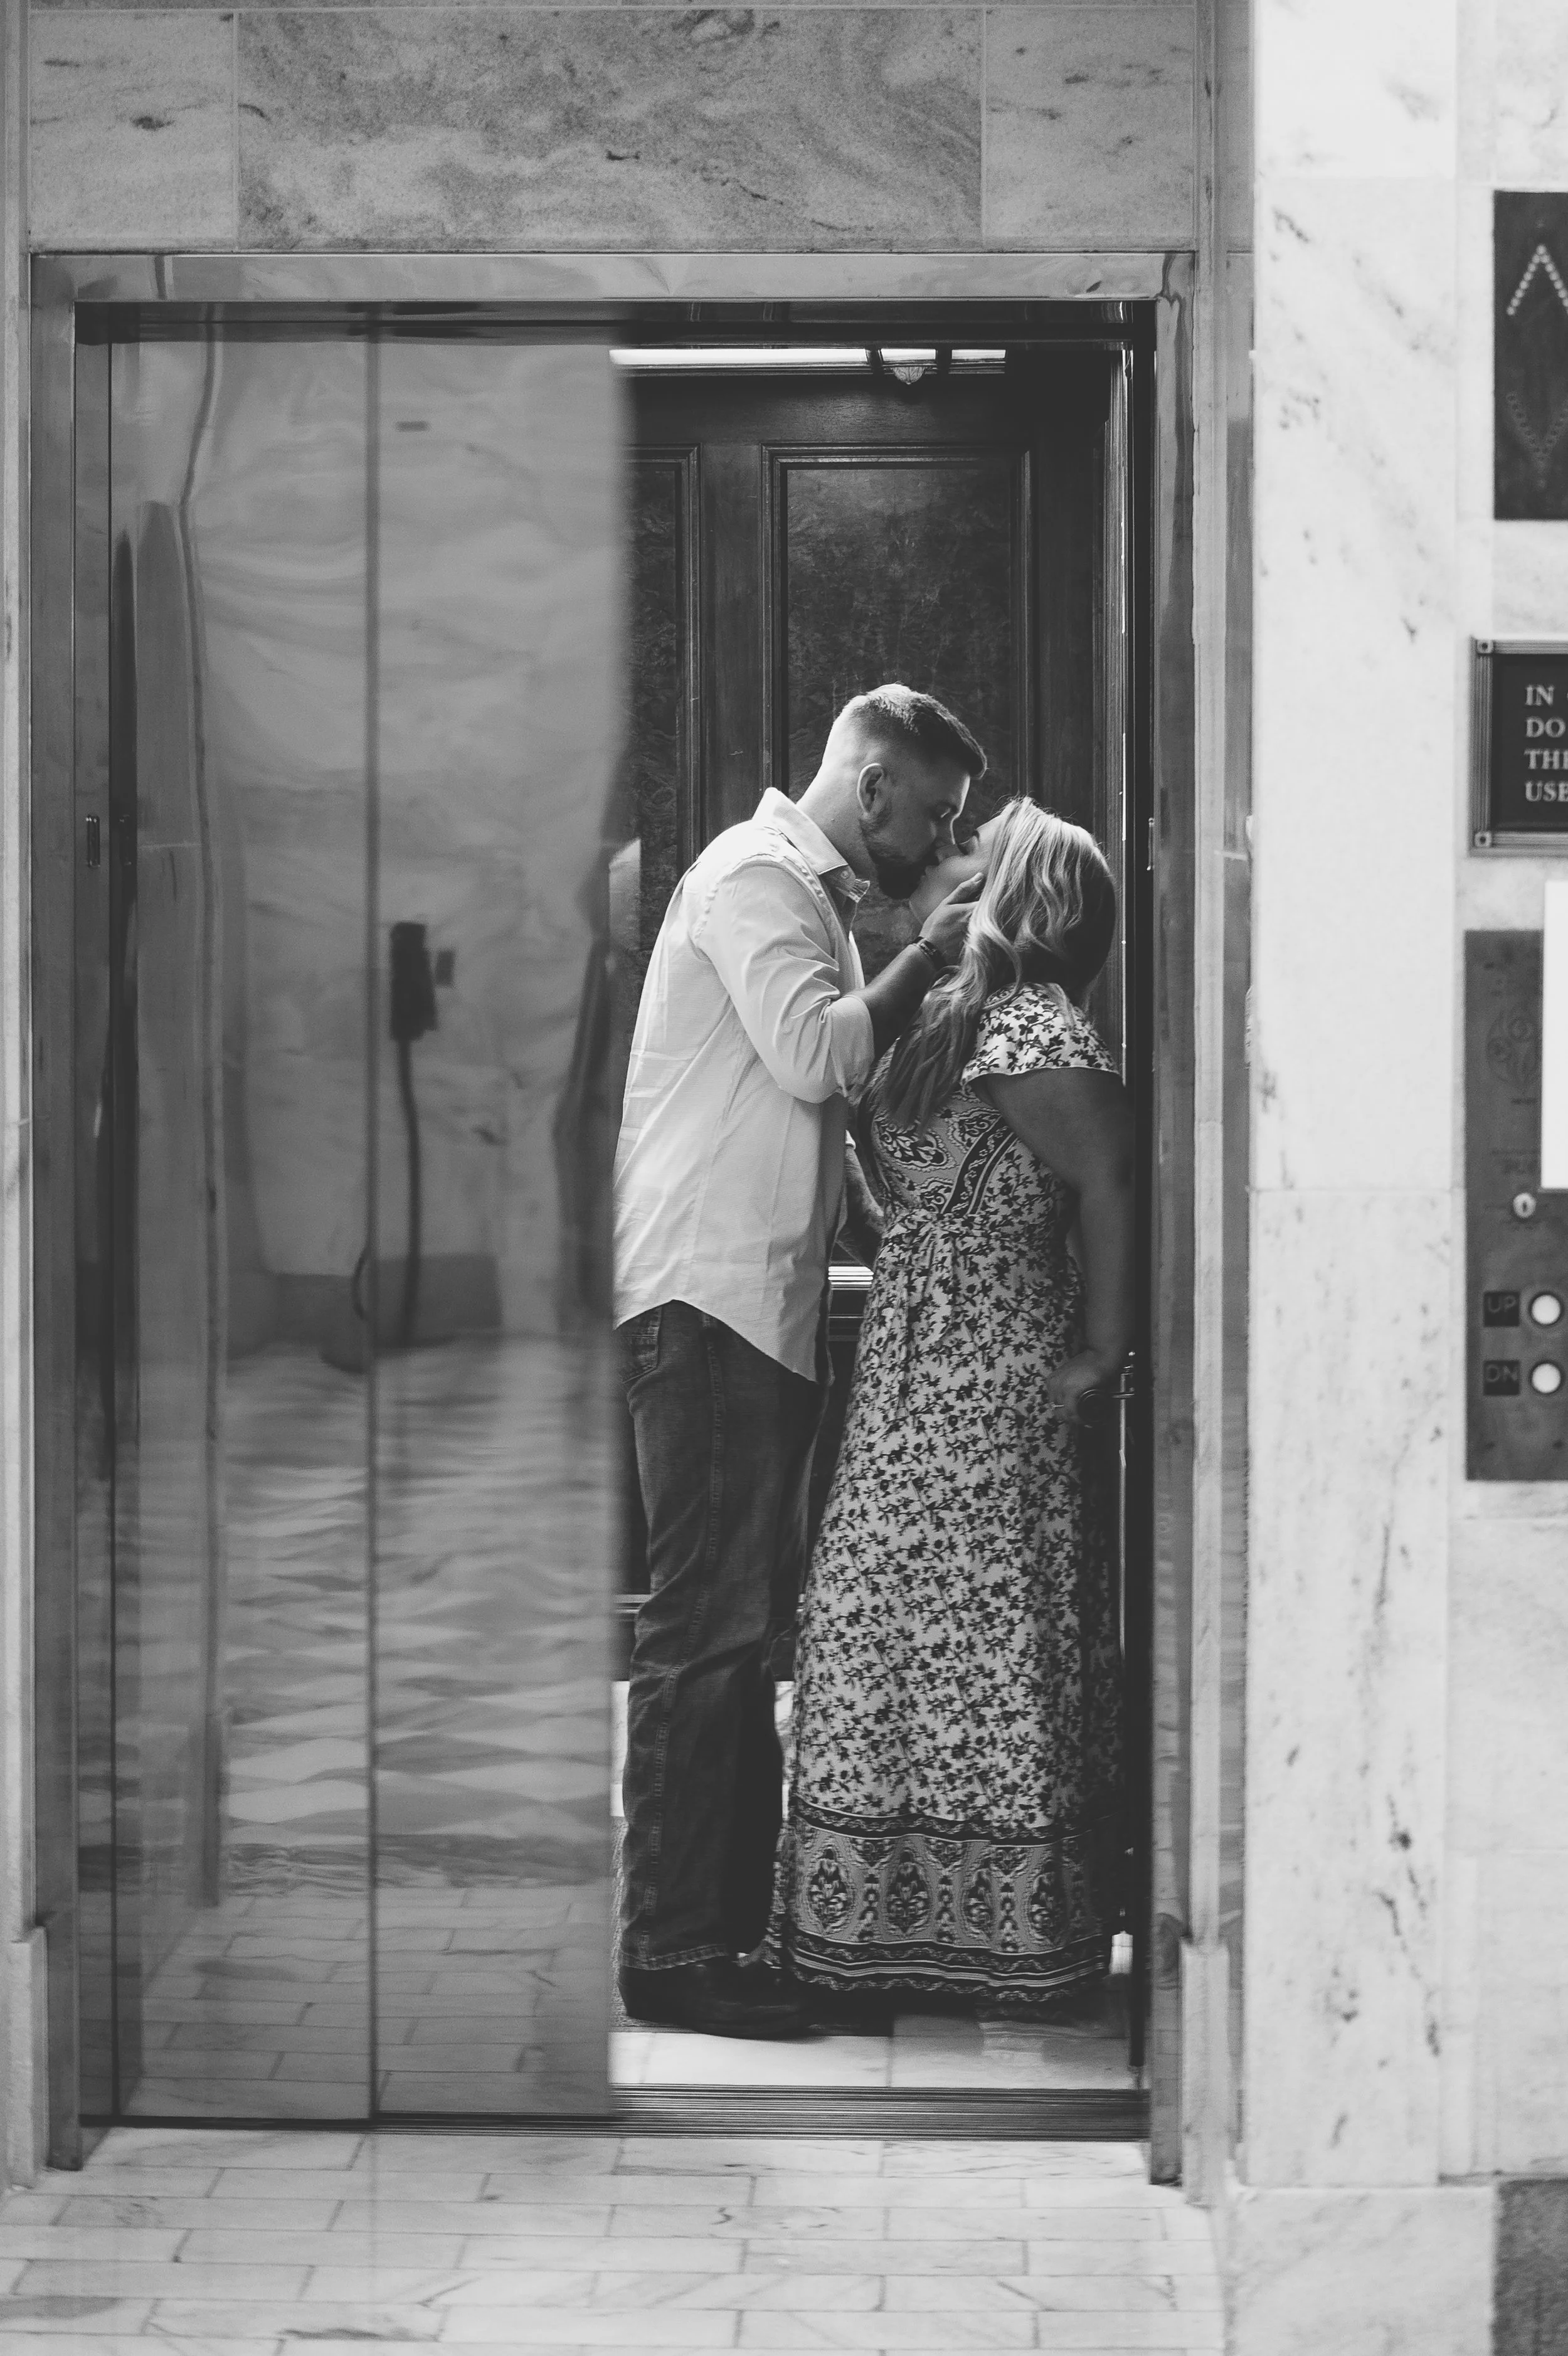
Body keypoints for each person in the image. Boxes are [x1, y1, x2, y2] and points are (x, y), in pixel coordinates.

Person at [614, 684, 988, 2039]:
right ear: (872, 782)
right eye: (933, 812)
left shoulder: (808, 900)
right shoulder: (757, 877)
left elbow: (811, 1110)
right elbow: (814, 1050)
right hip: (705, 1297)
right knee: (703, 1637)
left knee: (731, 1633)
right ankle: (668, 1954)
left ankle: (714, 1933)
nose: (936, 838)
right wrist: (928, 954)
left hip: (746, 1309)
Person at [770, 800, 1132, 2017]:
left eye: (972, 848)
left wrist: (1100, 1351)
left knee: (969, 1632)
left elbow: (1105, 1176)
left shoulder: (1026, 1018)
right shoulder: (951, 1011)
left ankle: (991, 1940)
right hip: (915, 1359)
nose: (945, 854)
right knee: (886, 1627)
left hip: (982, 1363)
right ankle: (890, 1928)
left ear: (1017, 888)